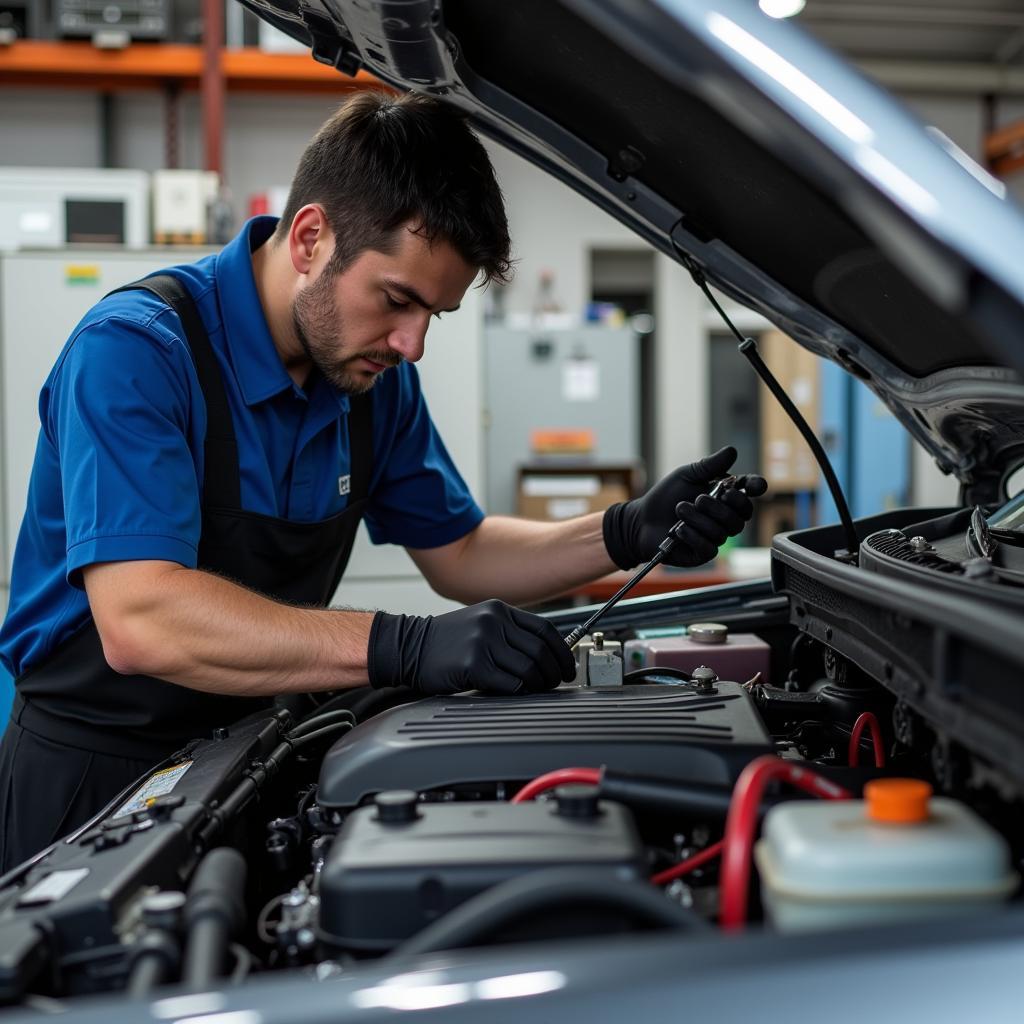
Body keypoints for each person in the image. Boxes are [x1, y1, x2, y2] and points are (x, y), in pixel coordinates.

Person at [0, 91, 764, 870]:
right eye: (398, 300)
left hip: (244, 755)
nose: (413, 344)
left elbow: (460, 552)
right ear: (310, 239)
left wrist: (624, 531)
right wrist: (401, 644)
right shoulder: (138, 353)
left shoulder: (371, 382)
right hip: (91, 781)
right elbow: (143, 618)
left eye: (435, 314)